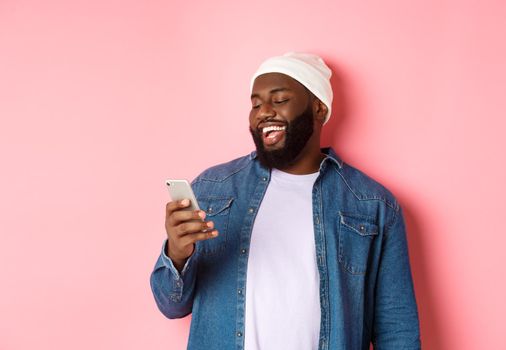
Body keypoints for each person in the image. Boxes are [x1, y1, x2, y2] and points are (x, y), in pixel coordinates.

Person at [150, 52, 421, 349]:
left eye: (279, 100)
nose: (263, 112)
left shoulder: (373, 205)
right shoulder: (212, 189)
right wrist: (178, 254)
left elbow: (397, 329)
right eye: (255, 104)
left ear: (319, 109)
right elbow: (170, 305)